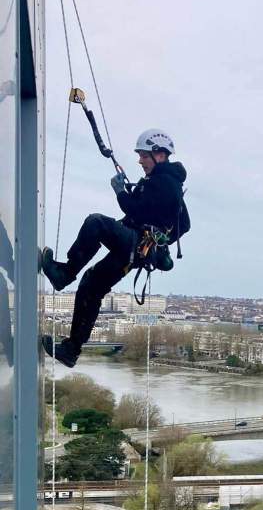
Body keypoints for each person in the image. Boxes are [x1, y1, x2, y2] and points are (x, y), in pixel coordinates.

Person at [41, 129, 189, 368]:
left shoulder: (165, 181)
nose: (140, 161)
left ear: (159, 154)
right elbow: (183, 224)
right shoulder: (166, 183)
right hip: (138, 251)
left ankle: (65, 273)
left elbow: (136, 211)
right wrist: (162, 238)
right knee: (91, 285)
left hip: (135, 242)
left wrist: (121, 193)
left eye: (143, 156)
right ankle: (71, 350)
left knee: (96, 223)